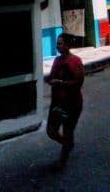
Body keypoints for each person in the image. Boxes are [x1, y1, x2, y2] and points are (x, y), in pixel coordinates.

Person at [45, 33, 84, 169]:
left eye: (60, 43)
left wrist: (60, 83)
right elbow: (51, 77)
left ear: (67, 45)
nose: (57, 46)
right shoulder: (56, 60)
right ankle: (67, 144)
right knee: (51, 131)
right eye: (57, 43)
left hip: (72, 103)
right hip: (57, 103)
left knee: (68, 131)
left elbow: (78, 82)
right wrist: (49, 80)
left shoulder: (76, 61)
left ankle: (62, 161)